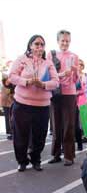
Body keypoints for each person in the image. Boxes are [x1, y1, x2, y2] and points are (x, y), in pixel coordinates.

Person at [8, 34, 59, 171]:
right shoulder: (22, 59)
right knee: (20, 135)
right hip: (22, 104)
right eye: (37, 44)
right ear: (30, 45)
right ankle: (22, 161)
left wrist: (42, 84)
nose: (39, 47)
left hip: (42, 106)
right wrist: (27, 82)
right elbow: (12, 76)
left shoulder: (48, 63)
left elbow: (56, 82)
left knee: (40, 136)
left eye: (42, 45)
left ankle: (36, 159)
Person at [48, 29, 79, 166]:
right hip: (55, 92)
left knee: (69, 125)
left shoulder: (74, 56)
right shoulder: (51, 54)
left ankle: (69, 155)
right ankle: (55, 154)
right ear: (58, 41)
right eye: (63, 40)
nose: (65, 43)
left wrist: (74, 72)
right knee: (56, 124)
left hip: (70, 93)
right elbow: (48, 74)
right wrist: (61, 75)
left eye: (67, 41)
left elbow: (76, 80)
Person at [75, 59, 87, 151]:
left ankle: (83, 137)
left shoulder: (84, 76)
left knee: (82, 120)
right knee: (75, 122)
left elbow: (85, 89)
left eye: (81, 65)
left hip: (82, 100)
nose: (79, 66)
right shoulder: (74, 75)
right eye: (78, 64)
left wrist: (77, 92)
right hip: (73, 100)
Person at [1, 74, 14, 139]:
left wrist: (10, 96)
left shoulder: (12, 85)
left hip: (10, 103)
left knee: (11, 118)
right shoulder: (3, 85)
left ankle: (12, 132)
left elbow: (12, 95)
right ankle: (8, 132)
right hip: (5, 103)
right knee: (7, 118)